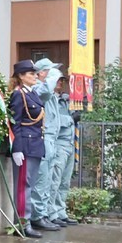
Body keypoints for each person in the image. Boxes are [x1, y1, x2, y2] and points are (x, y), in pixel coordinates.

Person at [8, 60, 45, 239]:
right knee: (24, 186)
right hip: (26, 146)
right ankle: (22, 224)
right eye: (30, 73)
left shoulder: (32, 94)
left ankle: (26, 221)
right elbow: (16, 123)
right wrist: (17, 148)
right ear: (21, 76)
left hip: (36, 145)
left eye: (35, 73)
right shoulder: (19, 95)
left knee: (29, 185)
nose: (34, 76)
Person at [29, 58, 63, 232]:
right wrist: (52, 77)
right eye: (50, 72)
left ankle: (44, 213)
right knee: (41, 179)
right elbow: (44, 92)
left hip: (52, 138)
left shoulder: (47, 89)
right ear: (41, 73)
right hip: (43, 138)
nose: (55, 77)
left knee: (48, 179)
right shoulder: (37, 88)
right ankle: (37, 215)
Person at [48, 74, 80, 227]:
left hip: (69, 143)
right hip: (59, 143)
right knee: (55, 180)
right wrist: (71, 119)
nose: (61, 82)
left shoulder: (65, 99)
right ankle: (51, 212)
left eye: (62, 80)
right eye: (58, 79)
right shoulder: (50, 98)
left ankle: (61, 211)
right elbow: (55, 120)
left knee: (65, 182)